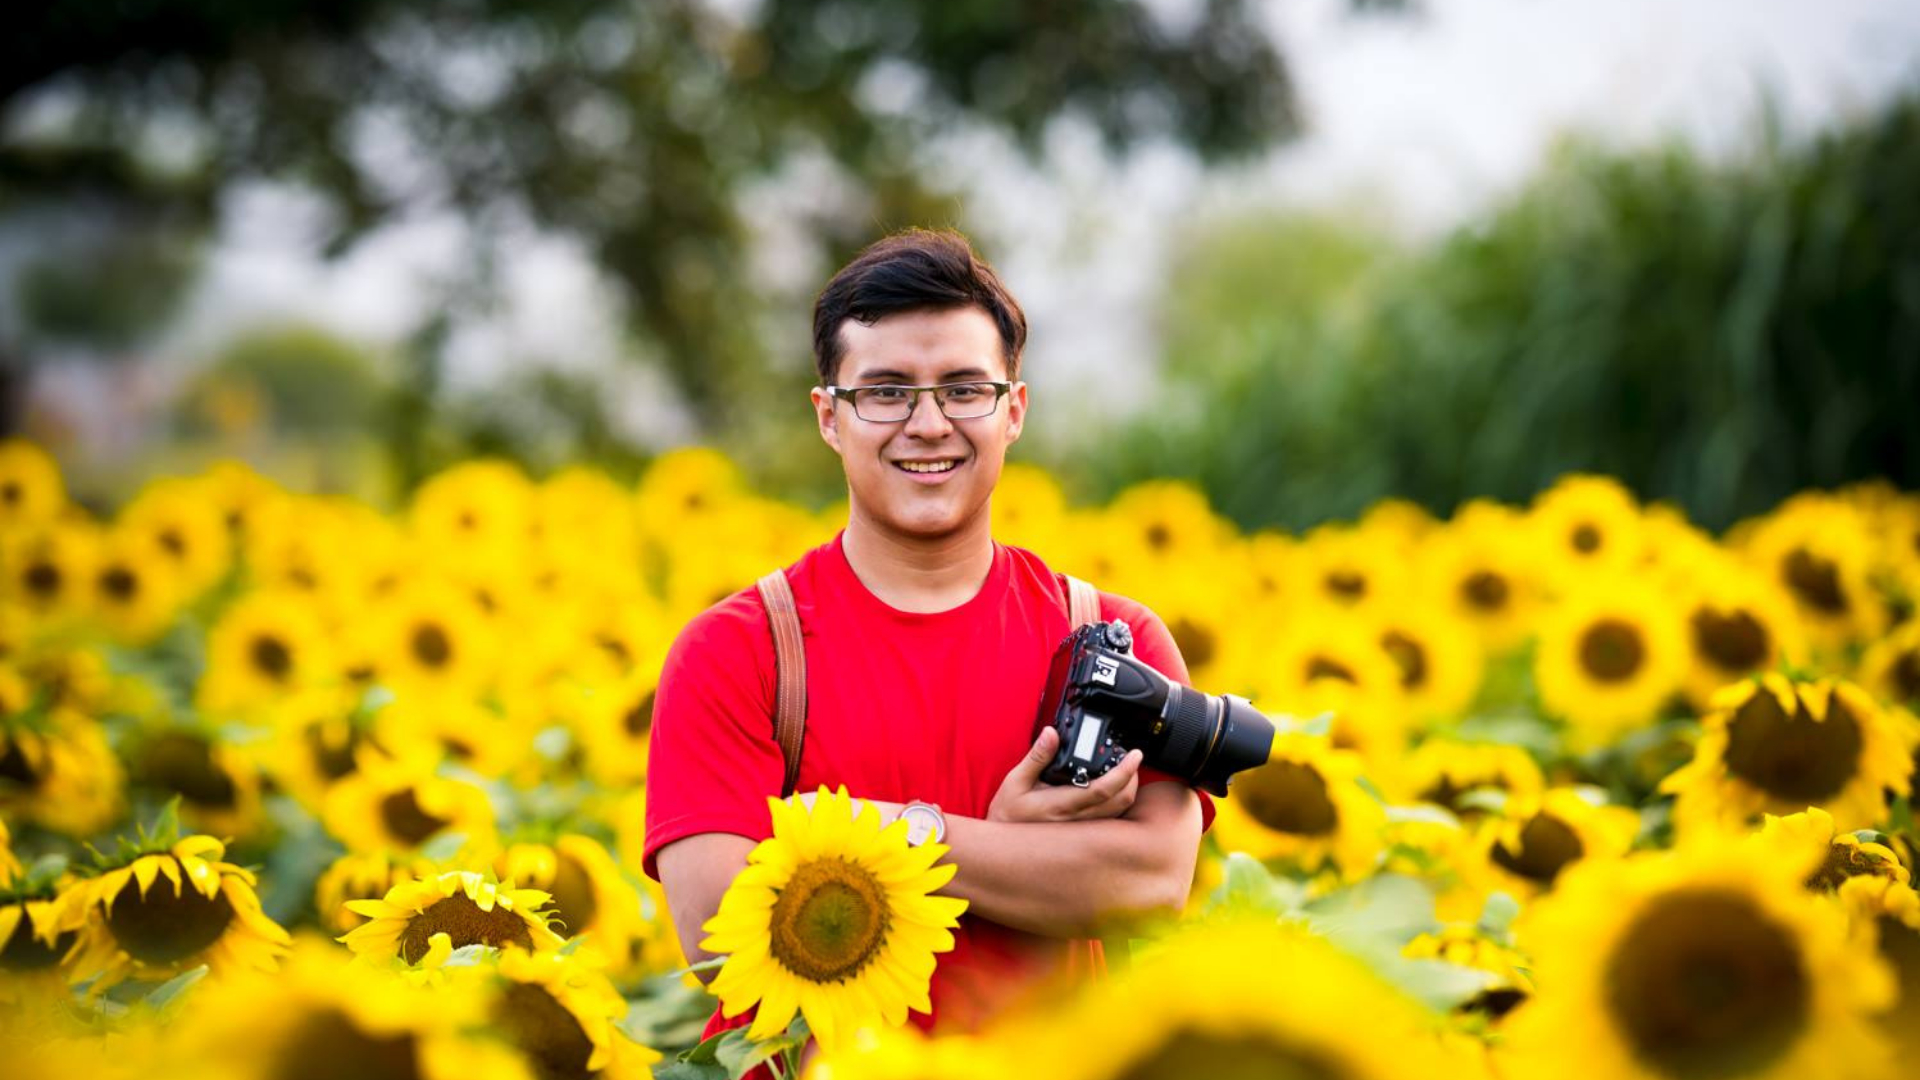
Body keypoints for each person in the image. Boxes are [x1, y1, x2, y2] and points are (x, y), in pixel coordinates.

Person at [643, 228, 1212, 1043]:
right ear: (829, 418)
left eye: (963, 389)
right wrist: (1013, 852)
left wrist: (917, 833)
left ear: (1012, 411)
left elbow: (1152, 883)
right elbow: (718, 935)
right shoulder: (739, 653)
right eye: (885, 391)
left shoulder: (1111, 639)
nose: (928, 423)